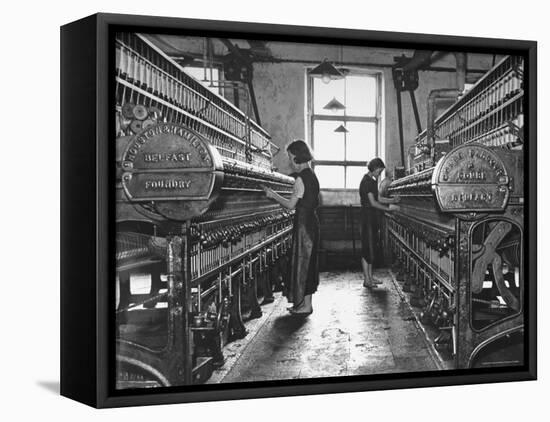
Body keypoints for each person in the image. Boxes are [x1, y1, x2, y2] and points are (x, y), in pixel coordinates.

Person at [262, 140, 320, 315]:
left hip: (303, 225)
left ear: (296, 156)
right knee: (308, 264)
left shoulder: (301, 178)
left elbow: (290, 205)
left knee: (302, 262)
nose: (289, 161)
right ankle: (305, 304)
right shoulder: (312, 175)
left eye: (289, 157)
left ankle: (304, 306)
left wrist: (272, 195)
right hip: (312, 222)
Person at [359, 158, 400, 288]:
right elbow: (373, 203)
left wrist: (393, 199)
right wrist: (390, 209)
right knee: (367, 249)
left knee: (371, 247)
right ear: (374, 168)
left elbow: (378, 198)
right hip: (367, 218)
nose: (380, 173)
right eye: (379, 171)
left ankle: (370, 277)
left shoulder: (372, 180)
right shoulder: (366, 182)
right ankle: (367, 279)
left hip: (372, 218)